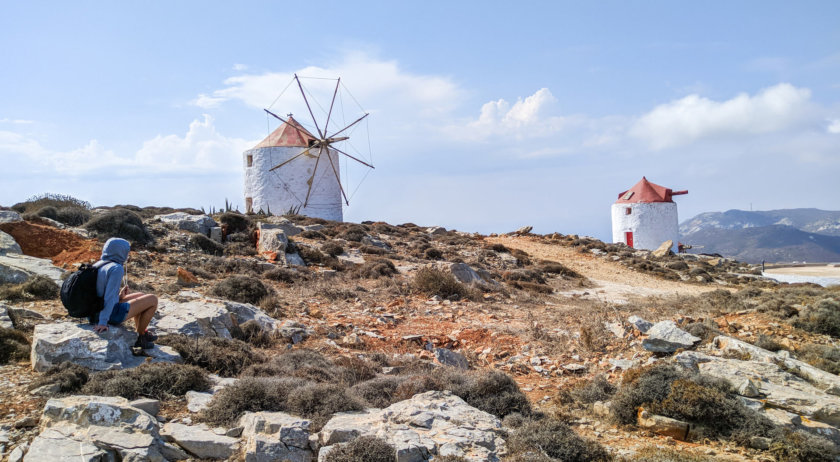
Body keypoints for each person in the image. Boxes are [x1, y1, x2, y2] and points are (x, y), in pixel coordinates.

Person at [90, 237, 158, 349]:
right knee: (152, 299)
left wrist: (120, 296)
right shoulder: (116, 268)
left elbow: (101, 294)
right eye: (126, 251)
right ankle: (140, 338)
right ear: (120, 251)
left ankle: (142, 332)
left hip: (93, 312)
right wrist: (103, 322)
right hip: (108, 315)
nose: (128, 255)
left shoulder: (99, 264)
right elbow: (109, 297)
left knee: (141, 296)